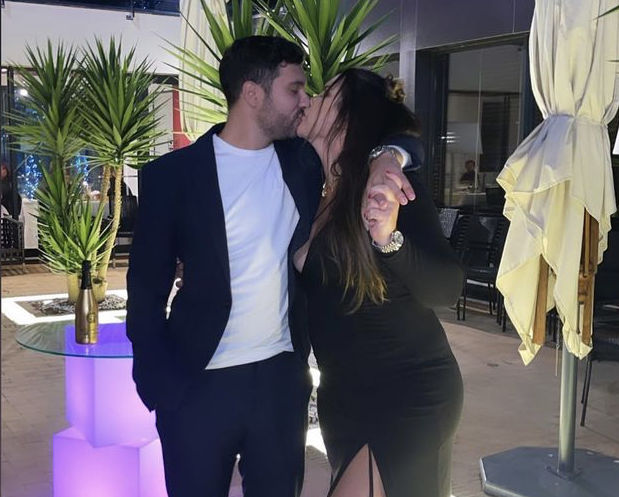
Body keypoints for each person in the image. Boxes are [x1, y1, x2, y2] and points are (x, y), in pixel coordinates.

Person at [126, 36, 423, 497]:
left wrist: (391, 155)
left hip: (279, 385)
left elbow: (391, 130)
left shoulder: (303, 163)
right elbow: (145, 289)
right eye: (294, 89)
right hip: (197, 384)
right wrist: (156, 383)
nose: (305, 100)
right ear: (252, 93)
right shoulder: (172, 177)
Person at [294, 68, 465, 497]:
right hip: (342, 398)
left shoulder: (384, 189)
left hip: (408, 391)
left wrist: (389, 238)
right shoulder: (314, 190)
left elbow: (446, 288)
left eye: (327, 93)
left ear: (350, 116)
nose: (312, 97)